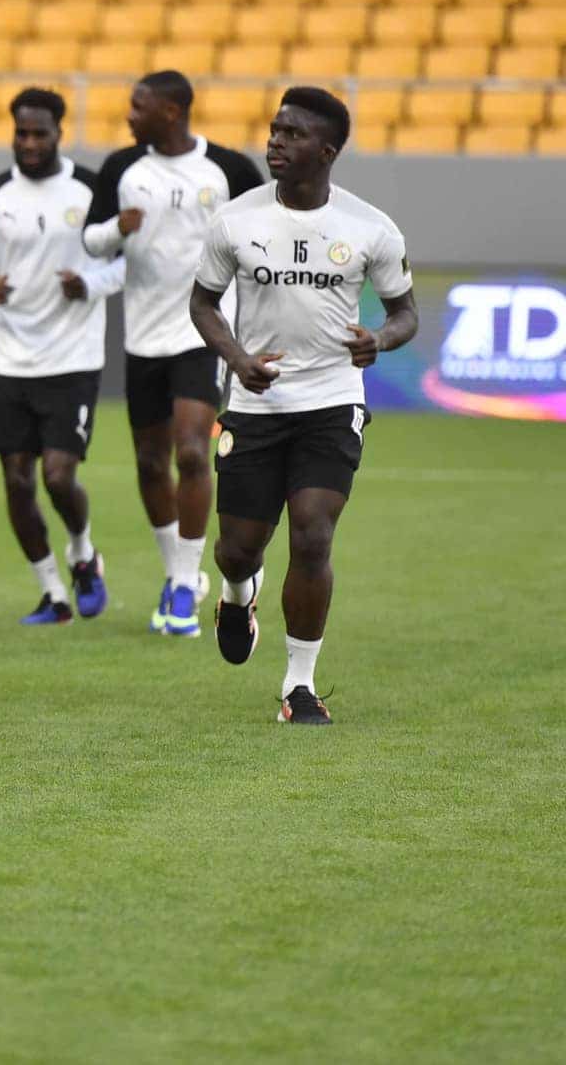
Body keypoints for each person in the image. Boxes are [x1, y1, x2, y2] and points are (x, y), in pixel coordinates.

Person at [191, 87, 416, 725]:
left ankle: (298, 685)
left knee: (313, 532)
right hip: (255, 405)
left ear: (327, 150)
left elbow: (404, 313)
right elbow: (203, 303)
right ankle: (238, 595)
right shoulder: (236, 220)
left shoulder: (370, 227)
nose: (275, 142)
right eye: (274, 130)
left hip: (331, 400)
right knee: (237, 549)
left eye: (291, 134)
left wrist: (380, 339)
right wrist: (237, 361)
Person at [83, 70, 264, 638]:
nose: (129, 114)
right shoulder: (121, 168)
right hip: (142, 336)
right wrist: (116, 228)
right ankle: (174, 570)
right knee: (148, 461)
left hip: (202, 331)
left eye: (139, 106)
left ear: (173, 109)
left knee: (191, 451)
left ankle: (186, 584)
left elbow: (265, 230)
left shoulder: (230, 169)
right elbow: (90, 240)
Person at [0, 88, 124, 627]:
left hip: (73, 356)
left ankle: (83, 553)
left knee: (57, 476)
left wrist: (91, 284)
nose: (28, 143)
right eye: (21, 133)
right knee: (16, 481)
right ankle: (52, 593)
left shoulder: (94, 188)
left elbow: (127, 265)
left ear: (59, 132)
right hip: (10, 357)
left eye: (39, 133)